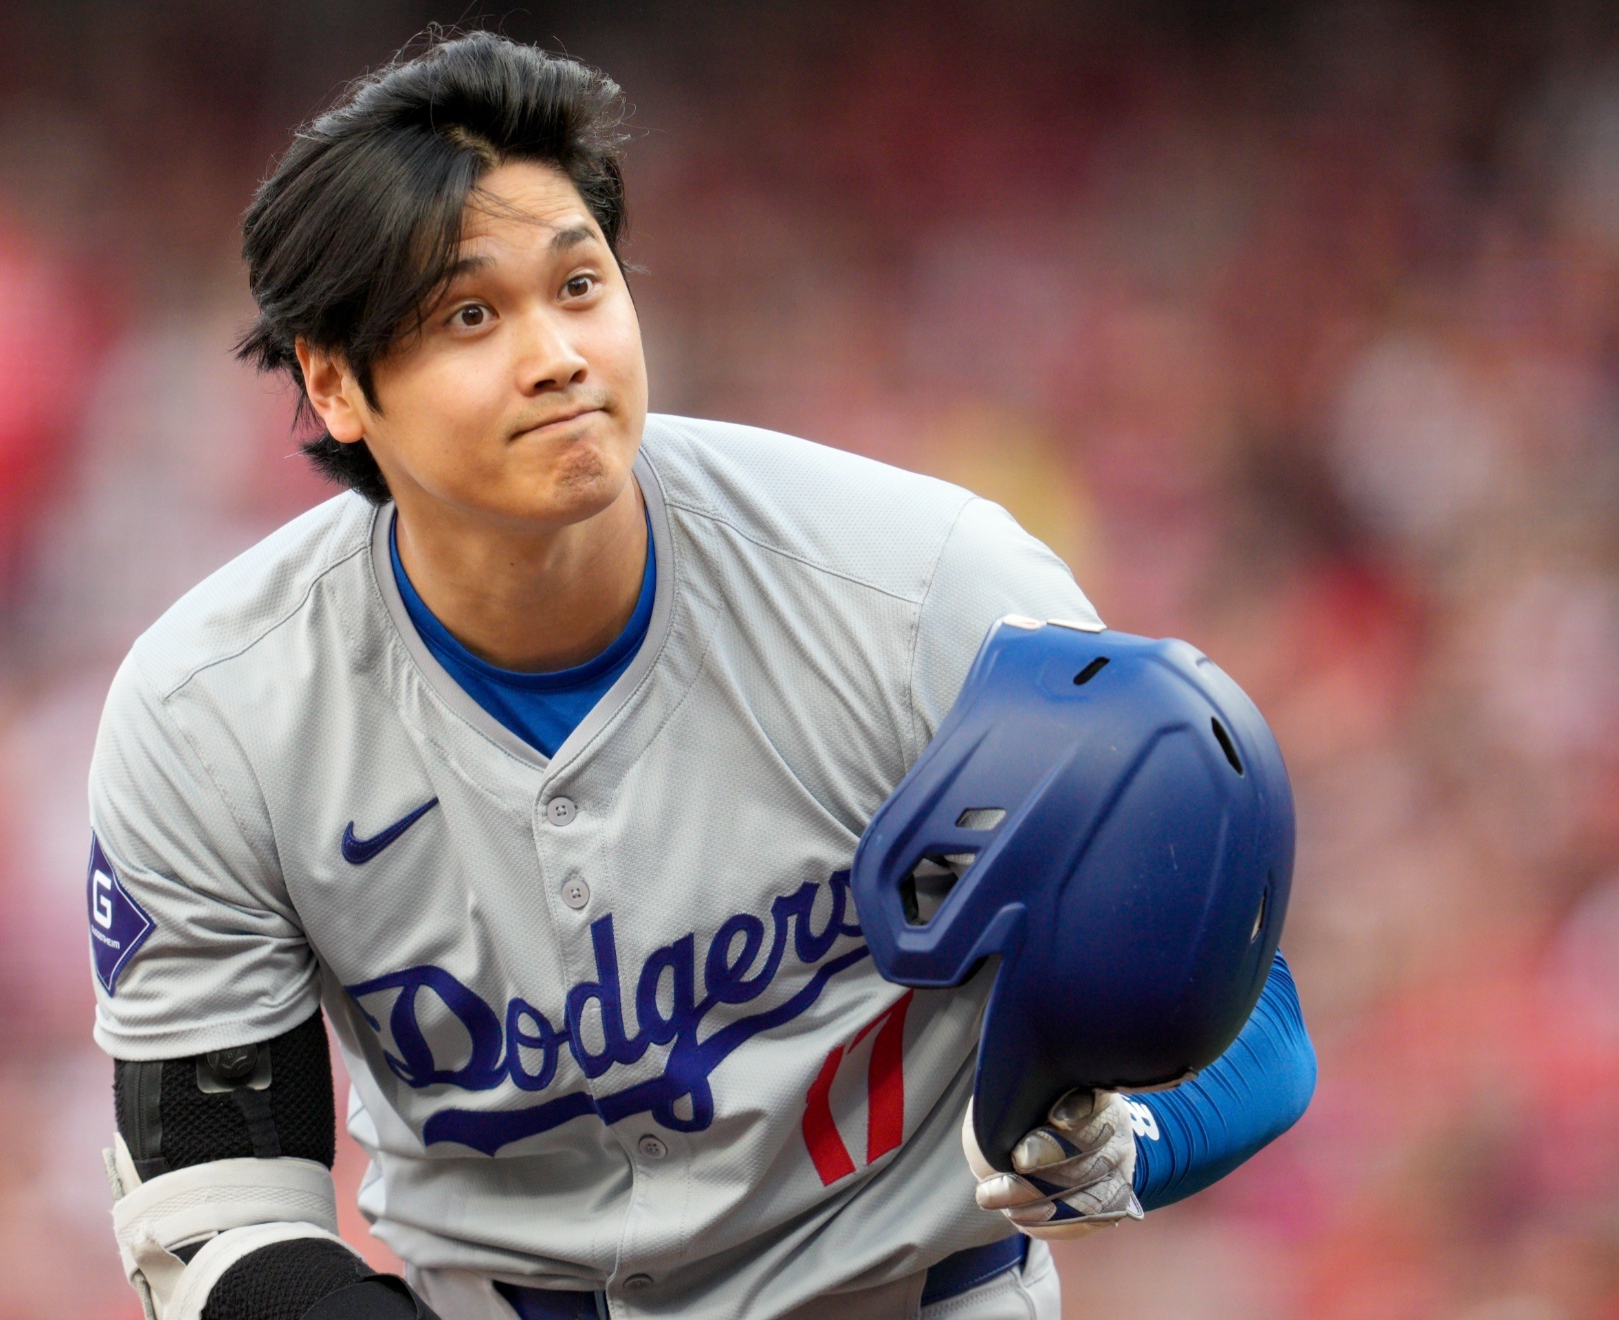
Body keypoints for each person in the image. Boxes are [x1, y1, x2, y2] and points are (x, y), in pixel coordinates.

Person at [87, 30, 1317, 1320]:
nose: (557, 353)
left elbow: (1256, 1013)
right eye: (469, 315)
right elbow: (213, 1209)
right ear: (334, 384)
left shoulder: (918, 592)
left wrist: (1135, 1137)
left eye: (579, 286)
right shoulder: (212, 713)